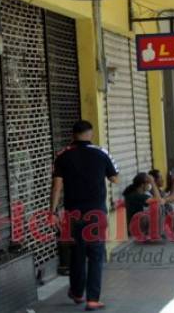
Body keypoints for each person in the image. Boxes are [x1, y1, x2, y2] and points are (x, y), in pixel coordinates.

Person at [50, 120, 118, 311]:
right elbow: (115, 178)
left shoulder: (62, 156)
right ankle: (93, 299)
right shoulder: (101, 153)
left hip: (73, 213)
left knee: (77, 253)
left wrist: (53, 212)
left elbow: (57, 186)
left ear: (73, 135)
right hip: (96, 211)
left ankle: (77, 292)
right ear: (91, 133)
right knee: (96, 254)